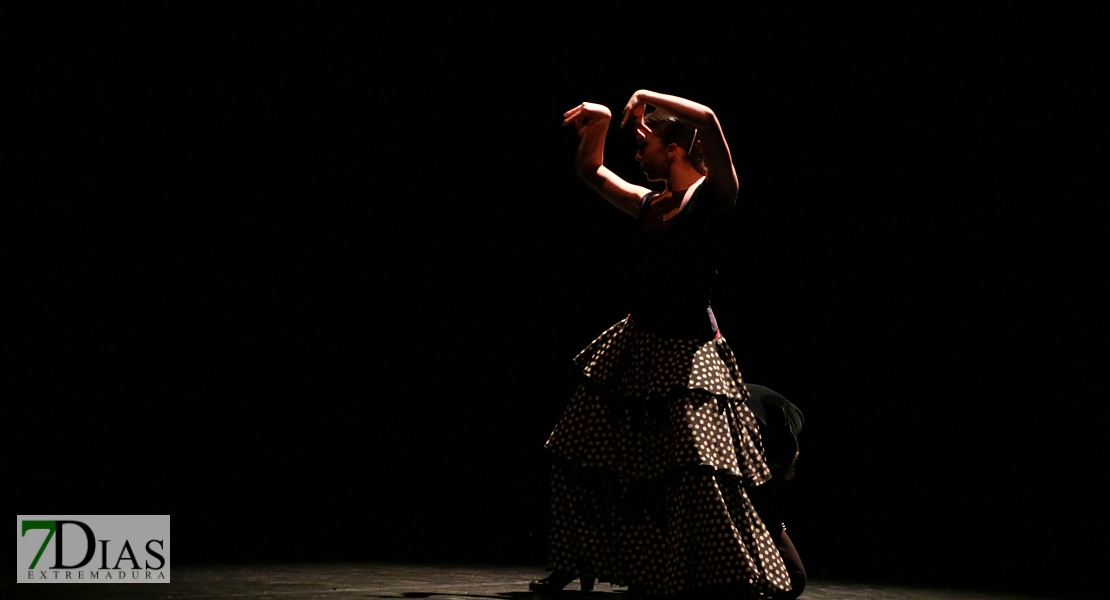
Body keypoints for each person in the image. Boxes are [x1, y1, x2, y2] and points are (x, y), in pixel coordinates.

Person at [530, 90, 793, 598]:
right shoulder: (652, 204)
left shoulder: (714, 199)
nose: (638, 152)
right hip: (636, 348)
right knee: (579, 452)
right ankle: (577, 559)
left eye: (645, 143)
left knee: (696, 469)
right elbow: (592, 172)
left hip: (689, 355)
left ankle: (729, 567)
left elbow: (710, 118)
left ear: (672, 148)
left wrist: (644, 97)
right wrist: (602, 122)